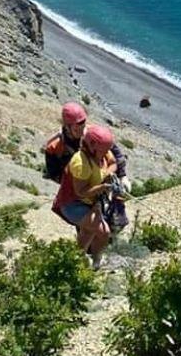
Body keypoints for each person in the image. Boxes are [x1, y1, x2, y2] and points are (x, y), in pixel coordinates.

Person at [44, 102, 129, 229]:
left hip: (105, 180)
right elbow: (54, 173)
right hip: (79, 192)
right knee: (89, 225)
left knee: (116, 219)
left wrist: (122, 176)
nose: (82, 129)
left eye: (83, 124)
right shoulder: (55, 147)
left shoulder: (94, 134)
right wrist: (79, 180)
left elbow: (114, 152)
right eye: (78, 127)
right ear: (67, 126)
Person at [52, 123, 121, 268]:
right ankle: (86, 262)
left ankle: (83, 261)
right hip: (72, 203)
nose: (106, 153)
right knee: (101, 231)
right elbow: (81, 192)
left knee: (91, 232)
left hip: (89, 201)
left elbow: (113, 163)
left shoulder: (101, 151)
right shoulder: (81, 163)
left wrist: (108, 175)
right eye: (103, 150)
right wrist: (103, 186)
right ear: (92, 146)